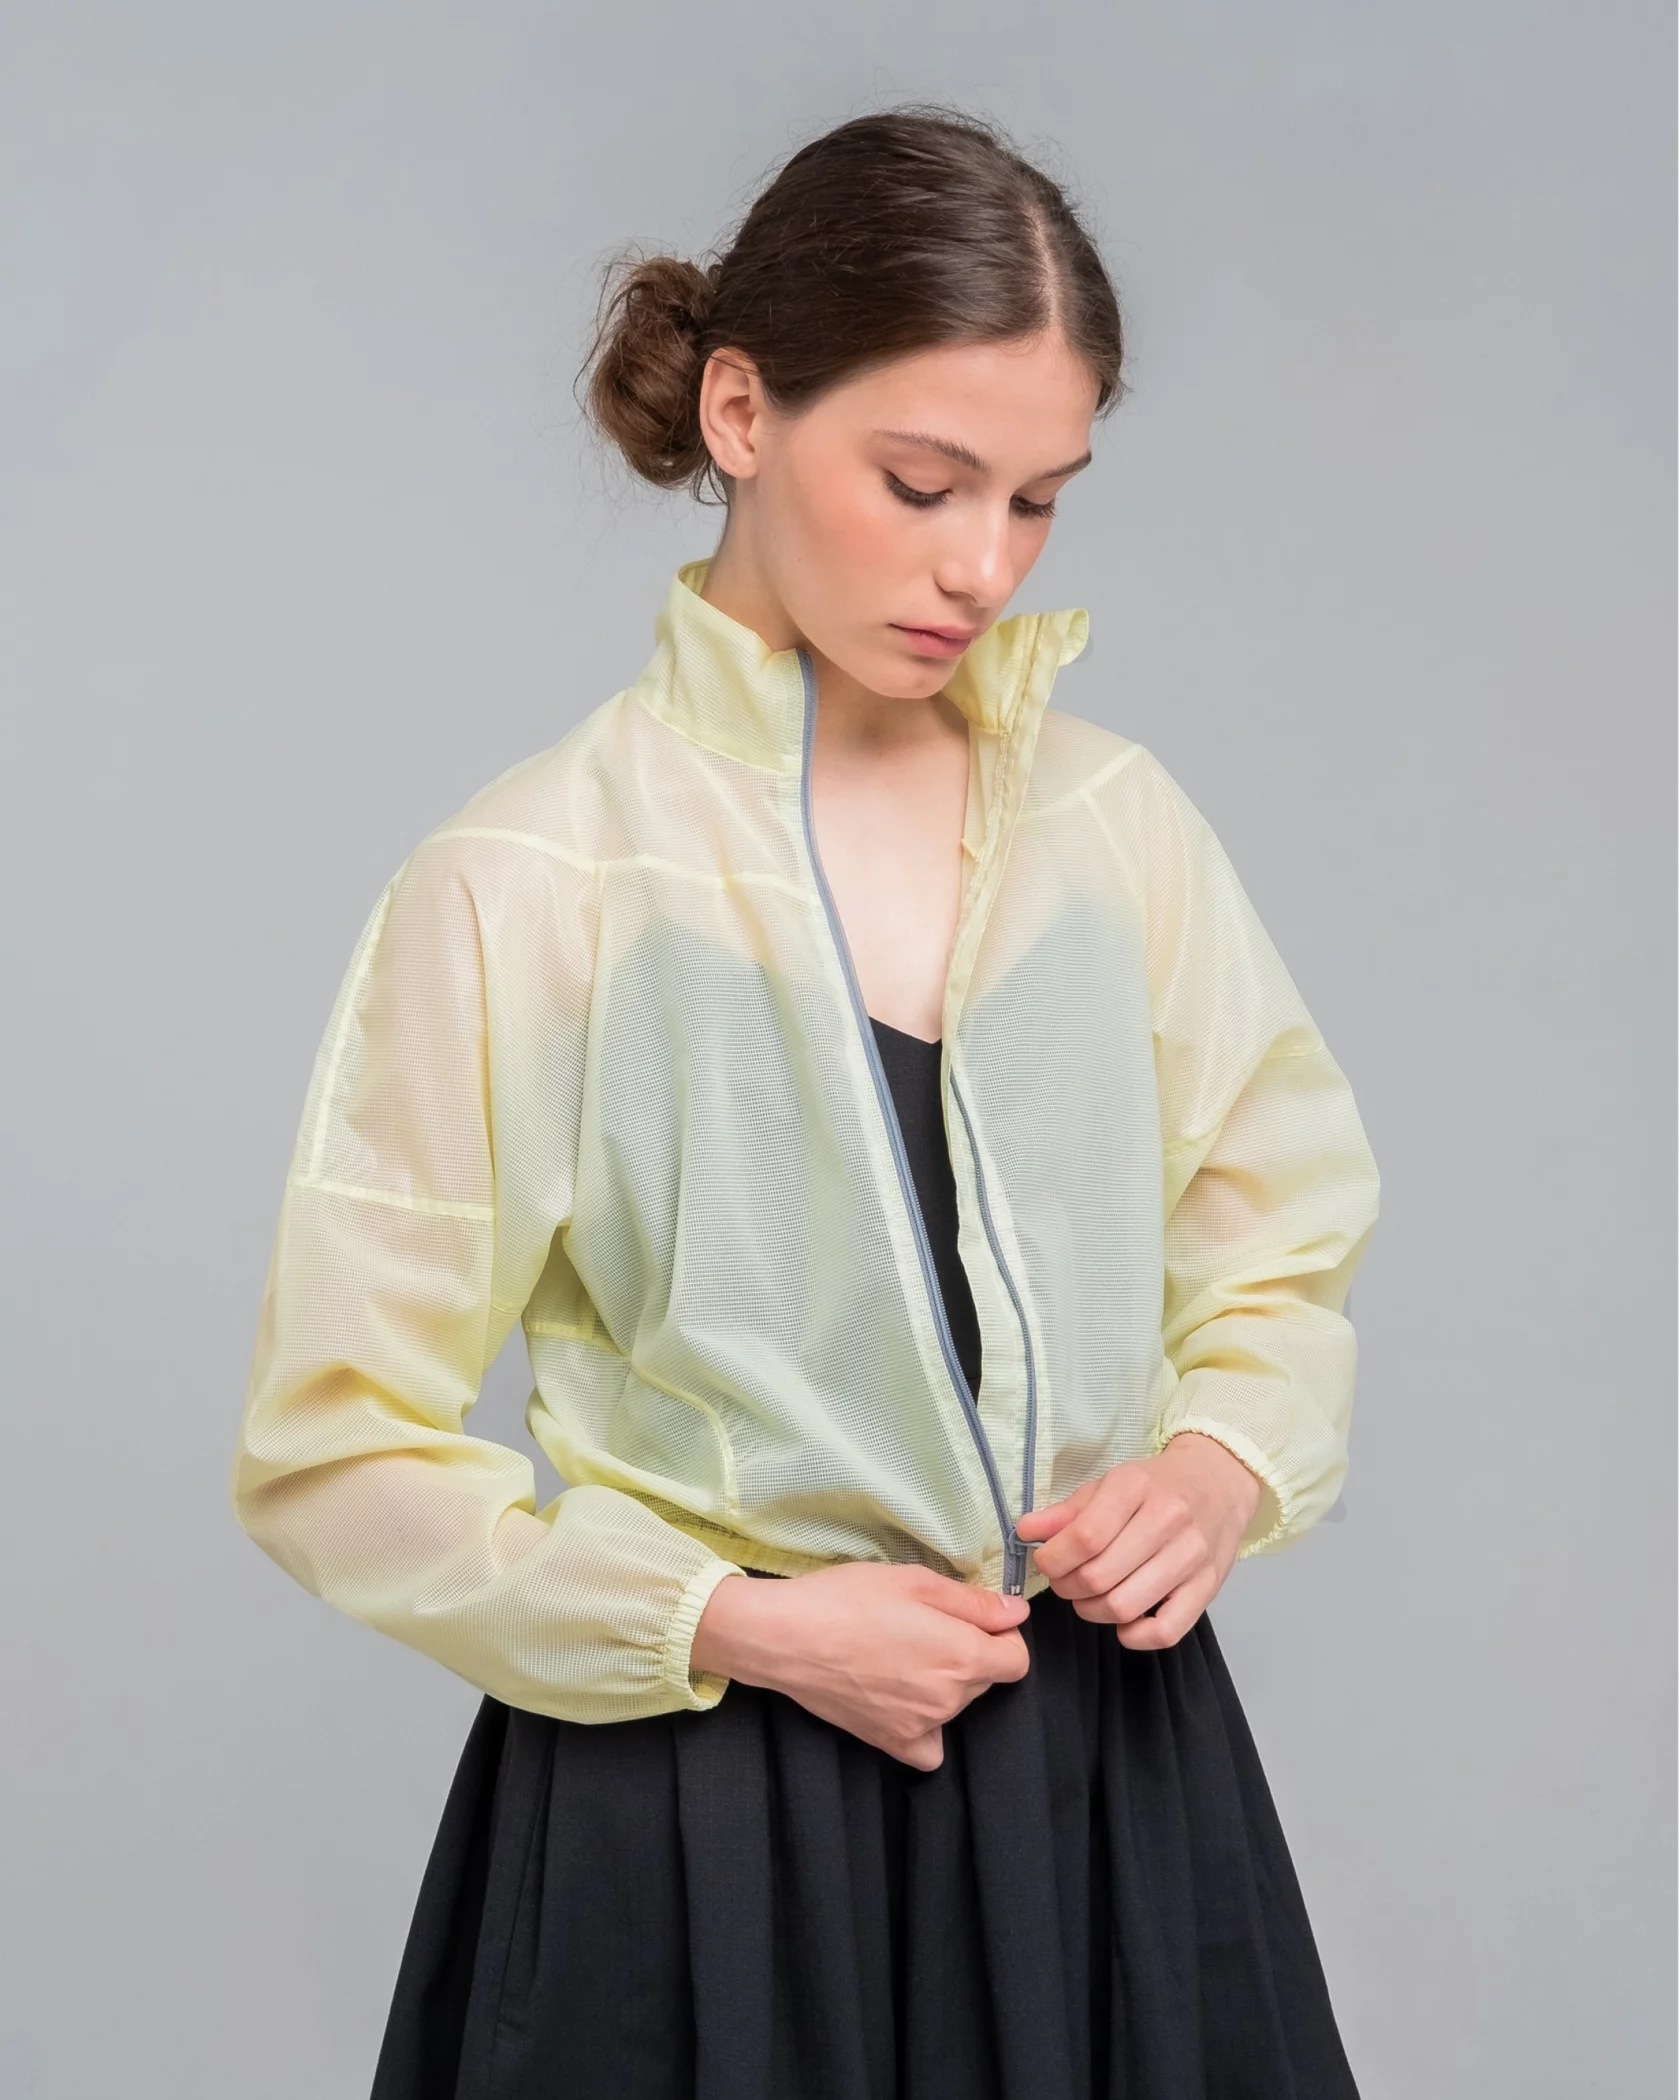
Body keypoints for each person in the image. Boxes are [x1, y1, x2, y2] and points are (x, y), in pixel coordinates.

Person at [231, 102, 1381, 2100]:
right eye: (923, 482)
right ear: (743, 410)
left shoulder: (1116, 834)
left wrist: (1214, 1469)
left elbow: (1281, 1242)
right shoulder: (532, 883)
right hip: (701, 1816)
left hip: (1102, 1790)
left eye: (1038, 501)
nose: (980, 568)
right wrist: (734, 1625)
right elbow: (334, 1449)